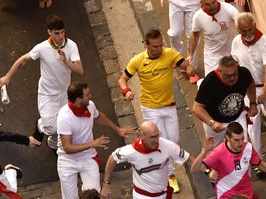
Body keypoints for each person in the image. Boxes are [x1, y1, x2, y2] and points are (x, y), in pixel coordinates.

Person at [117, 29, 198, 193]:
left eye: (161, 45)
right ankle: (171, 176)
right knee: (160, 142)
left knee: (173, 141)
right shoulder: (137, 61)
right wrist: (126, 91)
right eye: (155, 46)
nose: (159, 49)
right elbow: (122, 79)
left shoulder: (170, 54)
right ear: (146, 45)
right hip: (150, 108)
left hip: (169, 106)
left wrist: (190, 72)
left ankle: (167, 167)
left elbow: (187, 66)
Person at [0, 14, 83, 150]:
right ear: (49, 32)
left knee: (65, 124)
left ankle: (54, 143)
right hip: (47, 94)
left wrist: (66, 61)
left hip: (64, 92)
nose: (61, 36)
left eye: (62, 32)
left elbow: (80, 70)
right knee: (51, 127)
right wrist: (7, 77)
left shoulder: (71, 45)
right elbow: (22, 60)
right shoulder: (42, 48)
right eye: (57, 33)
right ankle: (41, 125)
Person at [57, 81, 137, 199]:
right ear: (79, 99)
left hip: (87, 157)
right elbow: (68, 148)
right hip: (67, 160)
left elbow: (99, 116)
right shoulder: (64, 117)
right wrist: (93, 143)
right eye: (87, 95)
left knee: (94, 194)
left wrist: (118, 130)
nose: (91, 96)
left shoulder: (90, 105)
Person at [191, 124, 266, 198]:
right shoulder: (218, 153)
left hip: (247, 193)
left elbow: (260, 164)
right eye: (236, 140)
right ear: (227, 138)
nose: (240, 143)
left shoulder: (247, 147)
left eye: (242, 138)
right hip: (227, 195)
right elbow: (194, 168)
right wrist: (204, 151)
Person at [101, 121, 194, 199]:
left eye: (157, 136)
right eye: (152, 137)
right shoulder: (130, 151)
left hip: (164, 194)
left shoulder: (167, 145)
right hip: (143, 196)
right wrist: (106, 184)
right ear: (142, 136)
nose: (156, 140)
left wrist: (206, 168)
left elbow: (188, 158)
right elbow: (112, 159)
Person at [231, 12, 266, 156]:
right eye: (243, 31)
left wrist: (265, 90)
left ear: (254, 26)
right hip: (249, 89)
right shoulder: (236, 42)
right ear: (238, 30)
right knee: (252, 123)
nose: (247, 33)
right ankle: (257, 157)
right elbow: (236, 63)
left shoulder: (265, 42)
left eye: (250, 29)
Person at [192, 56, 255, 145]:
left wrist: (253, 103)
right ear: (219, 72)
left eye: (235, 74)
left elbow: (251, 83)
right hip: (215, 120)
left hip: (238, 116)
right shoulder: (210, 82)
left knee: (242, 146)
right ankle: (199, 83)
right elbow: (196, 108)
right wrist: (212, 123)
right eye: (228, 76)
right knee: (214, 150)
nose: (232, 78)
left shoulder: (244, 73)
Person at [188, 0, 239, 77]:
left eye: (213, 2)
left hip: (233, 51)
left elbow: (241, 23)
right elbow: (195, 35)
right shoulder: (198, 17)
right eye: (208, 4)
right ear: (201, 3)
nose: (212, 6)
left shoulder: (229, 9)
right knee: (211, 82)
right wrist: (191, 54)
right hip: (212, 55)